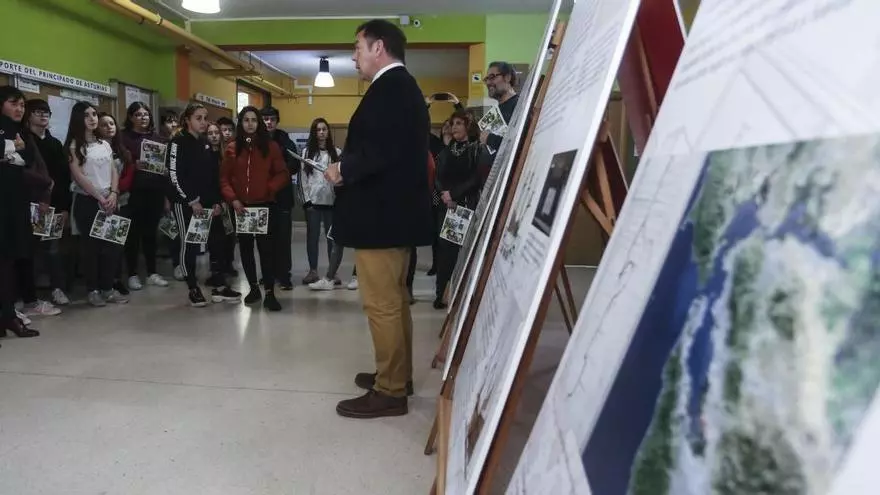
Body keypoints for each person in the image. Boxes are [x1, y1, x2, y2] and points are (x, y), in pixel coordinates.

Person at [324, 20, 434, 418]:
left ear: (378, 47)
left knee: (382, 305)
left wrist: (342, 169)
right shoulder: (400, 88)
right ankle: (397, 376)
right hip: (393, 215)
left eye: (358, 47)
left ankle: (390, 391)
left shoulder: (391, 89)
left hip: (382, 217)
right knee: (394, 302)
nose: (354, 57)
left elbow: (381, 151)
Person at [168, 104, 242, 307]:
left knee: (217, 243)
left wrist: (216, 201)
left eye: (205, 118)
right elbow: (174, 176)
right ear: (187, 120)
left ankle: (219, 287)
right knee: (189, 245)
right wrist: (192, 200)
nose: (203, 122)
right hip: (185, 204)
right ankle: (193, 287)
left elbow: (212, 175)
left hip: (207, 204)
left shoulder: (204, 143)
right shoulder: (177, 142)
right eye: (198, 118)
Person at [220, 106, 289, 311]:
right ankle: (253, 289)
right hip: (241, 208)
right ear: (241, 123)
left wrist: (269, 189)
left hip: (264, 207)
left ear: (258, 124)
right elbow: (224, 179)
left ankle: (269, 292)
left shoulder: (271, 147)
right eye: (246, 120)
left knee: (267, 251)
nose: (250, 124)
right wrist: (233, 200)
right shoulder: (232, 148)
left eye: (254, 120)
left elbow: (283, 174)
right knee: (246, 249)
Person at [67, 101, 128, 307]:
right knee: (91, 249)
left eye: (94, 114)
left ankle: (108, 288)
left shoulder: (105, 144)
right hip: (88, 201)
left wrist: (114, 193)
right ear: (78, 119)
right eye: (87, 115)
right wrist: (99, 197)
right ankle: (92, 290)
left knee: (112, 247)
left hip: (110, 199)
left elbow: (113, 171)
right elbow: (79, 176)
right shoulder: (74, 146)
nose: (92, 118)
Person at [0, 86, 43, 340]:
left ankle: (8, 315)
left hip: (15, 202)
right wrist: (13, 151)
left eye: (22, 105)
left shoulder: (20, 131)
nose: (19, 109)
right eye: (13, 103)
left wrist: (14, 153)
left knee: (11, 260)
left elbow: (27, 156)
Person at [434, 110, 485, 309]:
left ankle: (458, 295)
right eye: (452, 123)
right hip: (446, 206)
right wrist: (445, 195)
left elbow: (476, 178)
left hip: (464, 206)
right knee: (445, 251)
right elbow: (438, 176)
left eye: (458, 123)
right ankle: (441, 295)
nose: (453, 127)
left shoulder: (476, 149)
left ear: (467, 126)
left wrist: (454, 194)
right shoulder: (447, 150)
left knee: (460, 252)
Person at [121, 102, 171, 290]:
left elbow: (167, 164)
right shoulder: (124, 137)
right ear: (131, 117)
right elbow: (119, 163)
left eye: (146, 114)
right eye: (138, 114)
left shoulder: (158, 139)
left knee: (151, 234)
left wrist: (165, 171)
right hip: (133, 192)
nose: (143, 118)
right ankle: (132, 274)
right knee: (132, 234)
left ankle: (152, 273)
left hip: (155, 191)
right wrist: (134, 165)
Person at [97, 112, 136, 297]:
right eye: (104, 124)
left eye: (112, 123)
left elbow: (128, 176)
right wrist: (107, 195)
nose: (109, 127)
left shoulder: (123, 151)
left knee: (117, 243)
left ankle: (116, 279)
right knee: (102, 246)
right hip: (101, 200)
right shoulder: (93, 149)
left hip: (121, 200)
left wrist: (116, 192)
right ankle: (102, 281)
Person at [302, 117, 343, 291]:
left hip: (331, 203)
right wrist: (307, 200)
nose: (321, 132)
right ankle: (313, 271)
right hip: (313, 203)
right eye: (318, 130)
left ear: (328, 132)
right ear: (314, 132)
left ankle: (332, 272)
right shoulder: (307, 152)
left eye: (324, 129)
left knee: (331, 239)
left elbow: (340, 178)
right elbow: (303, 178)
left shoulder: (337, 152)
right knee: (312, 238)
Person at [261, 106, 299, 290]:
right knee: (265, 240)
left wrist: (278, 175)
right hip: (261, 198)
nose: (269, 122)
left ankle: (284, 275)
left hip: (282, 197)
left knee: (283, 239)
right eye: (265, 119)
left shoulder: (285, 140)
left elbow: (294, 164)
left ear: (277, 121)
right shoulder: (255, 140)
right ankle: (268, 274)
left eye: (272, 119)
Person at [216, 116, 238, 278]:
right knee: (218, 235)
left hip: (232, 197)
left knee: (231, 233)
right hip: (216, 198)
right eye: (224, 130)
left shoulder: (236, 149)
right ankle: (217, 266)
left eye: (230, 130)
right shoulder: (212, 149)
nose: (227, 133)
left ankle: (229, 263)